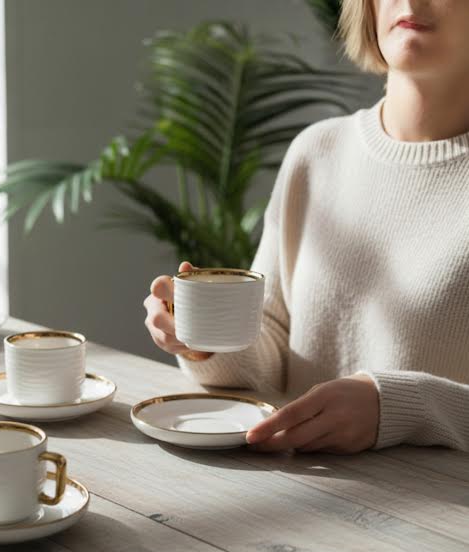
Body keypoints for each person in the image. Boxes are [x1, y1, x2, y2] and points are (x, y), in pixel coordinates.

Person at [144, 0, 469, 454]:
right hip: (298, 500)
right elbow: (275, 350)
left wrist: (402, 407)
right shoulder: (317, 153)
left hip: (438, 519)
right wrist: (207, 344)